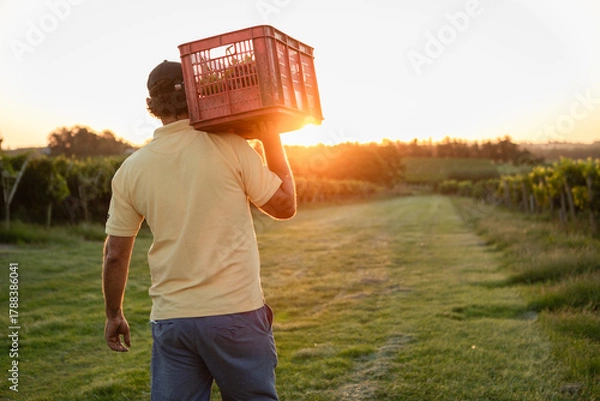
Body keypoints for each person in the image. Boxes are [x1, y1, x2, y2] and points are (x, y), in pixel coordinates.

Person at [102, 60, 296, 400]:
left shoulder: (131, 170)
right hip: (235, 312)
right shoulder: (231, 146)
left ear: (152, 106)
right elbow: (284, 205)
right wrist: (271, 138)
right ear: (197, 94)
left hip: (173, 321)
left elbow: (115, 254)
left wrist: (114, 313)